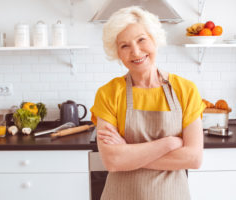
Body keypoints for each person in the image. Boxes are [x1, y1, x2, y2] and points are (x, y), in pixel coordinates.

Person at [90, 6, 206, 200]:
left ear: (154, 39)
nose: (135, 51)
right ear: (117, 52)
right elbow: (112, 161)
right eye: (124, 45)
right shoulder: (109, 93)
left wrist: (128, 154)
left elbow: (193, 158)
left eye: (141, 39)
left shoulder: (185, 90)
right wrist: (169, 143)